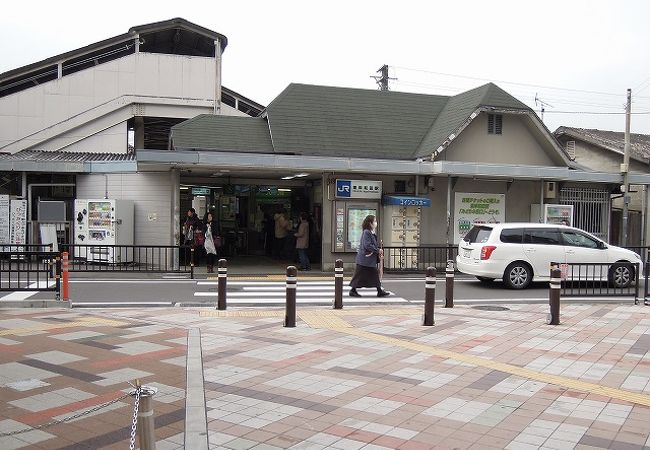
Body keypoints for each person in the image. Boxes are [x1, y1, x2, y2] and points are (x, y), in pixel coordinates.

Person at [349, 214, 390, 297]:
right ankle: (354, 290)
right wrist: (378, 250)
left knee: (369, 275)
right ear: (370, 223)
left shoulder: (370, 232)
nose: (376, 223)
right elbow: (367, 245)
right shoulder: (367, 232)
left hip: (367, 260)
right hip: (365, 259)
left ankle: (378, 290)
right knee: (361, 275)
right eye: (374, 221)